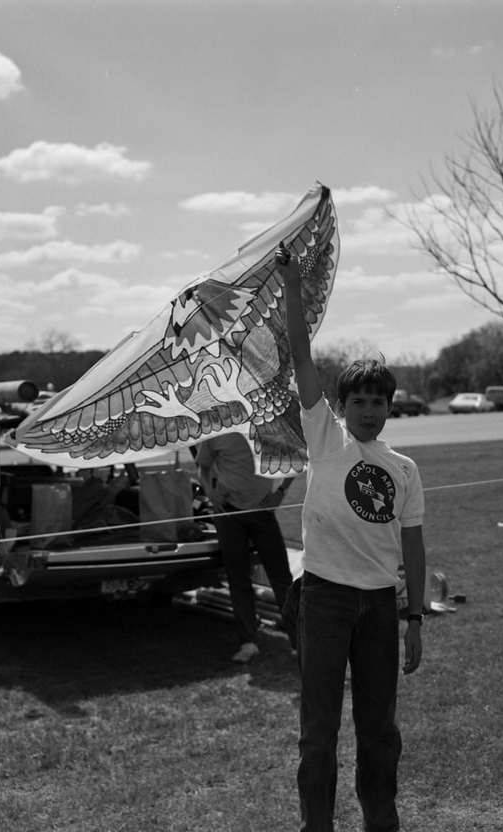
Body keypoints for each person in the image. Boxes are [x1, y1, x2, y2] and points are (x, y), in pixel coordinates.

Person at [280, 242, 427, 832]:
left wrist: (414, 616)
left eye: (379, 401)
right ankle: (316, 824)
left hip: (378, 609)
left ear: (391, 407)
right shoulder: (326, 438)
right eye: (359, 401)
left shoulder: (405, 469)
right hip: (324, 599)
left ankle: (380, 819)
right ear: (341, 406)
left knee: (379, 729)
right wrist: (292, 288)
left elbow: (412, 548)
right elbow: (300, 356)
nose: (369, 410)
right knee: (318, 733)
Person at [195, 432, 296, 663]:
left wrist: (280, 493)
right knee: (237, 578)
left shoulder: (265, 423)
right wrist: (211, 494)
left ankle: (299, 642)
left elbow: (296, 459)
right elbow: (203, 467)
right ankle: (247, 642)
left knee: (281, 579)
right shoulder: (215, 429)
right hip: (228, 514)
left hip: (262, 512)